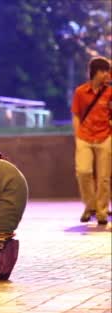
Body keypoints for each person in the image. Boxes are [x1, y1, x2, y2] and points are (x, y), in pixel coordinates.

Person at [71, 57, 111, 226]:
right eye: (105, 71)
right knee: (83, 171)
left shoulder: (109, 92)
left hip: (105, 136)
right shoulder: (80, 92)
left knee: (104, 177)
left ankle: (101, 211)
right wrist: (77, 135)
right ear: (96, 72)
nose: (107, 75)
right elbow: (76, 114)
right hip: (84, 136)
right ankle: (90, 205)